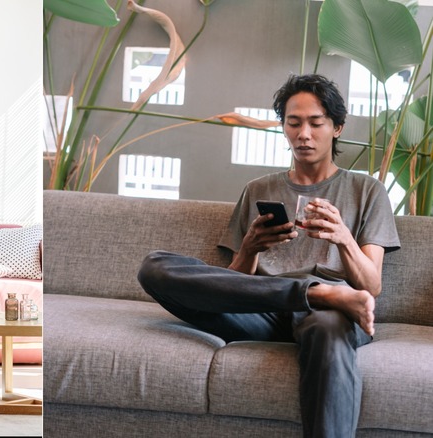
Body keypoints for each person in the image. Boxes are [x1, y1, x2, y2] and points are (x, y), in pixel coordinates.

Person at [137, 73, 401, 438]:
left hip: (331, 313)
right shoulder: (258, 189)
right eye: (293, 123)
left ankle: (319, 295)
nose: (303, 134)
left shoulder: (367, 190)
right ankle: (315, 292)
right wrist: (250, 247)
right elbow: (231, 285)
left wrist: (344, 239)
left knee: (328, 327)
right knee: (154, 266)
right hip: (262, 309)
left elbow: (371, 287)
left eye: (315, 123)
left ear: (337, 127)